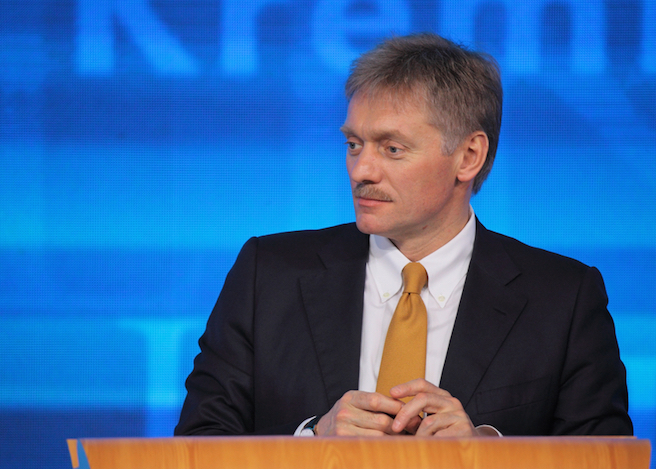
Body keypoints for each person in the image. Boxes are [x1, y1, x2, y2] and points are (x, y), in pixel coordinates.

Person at [174, 33, 632, 437]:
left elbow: (603, 457)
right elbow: (199, 443)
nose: (362, 170)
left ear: (469, 156)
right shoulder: (269, 275)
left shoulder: (563, 299)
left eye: (392, 148)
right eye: (354, 144)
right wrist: (312, 439)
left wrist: (485, 453)